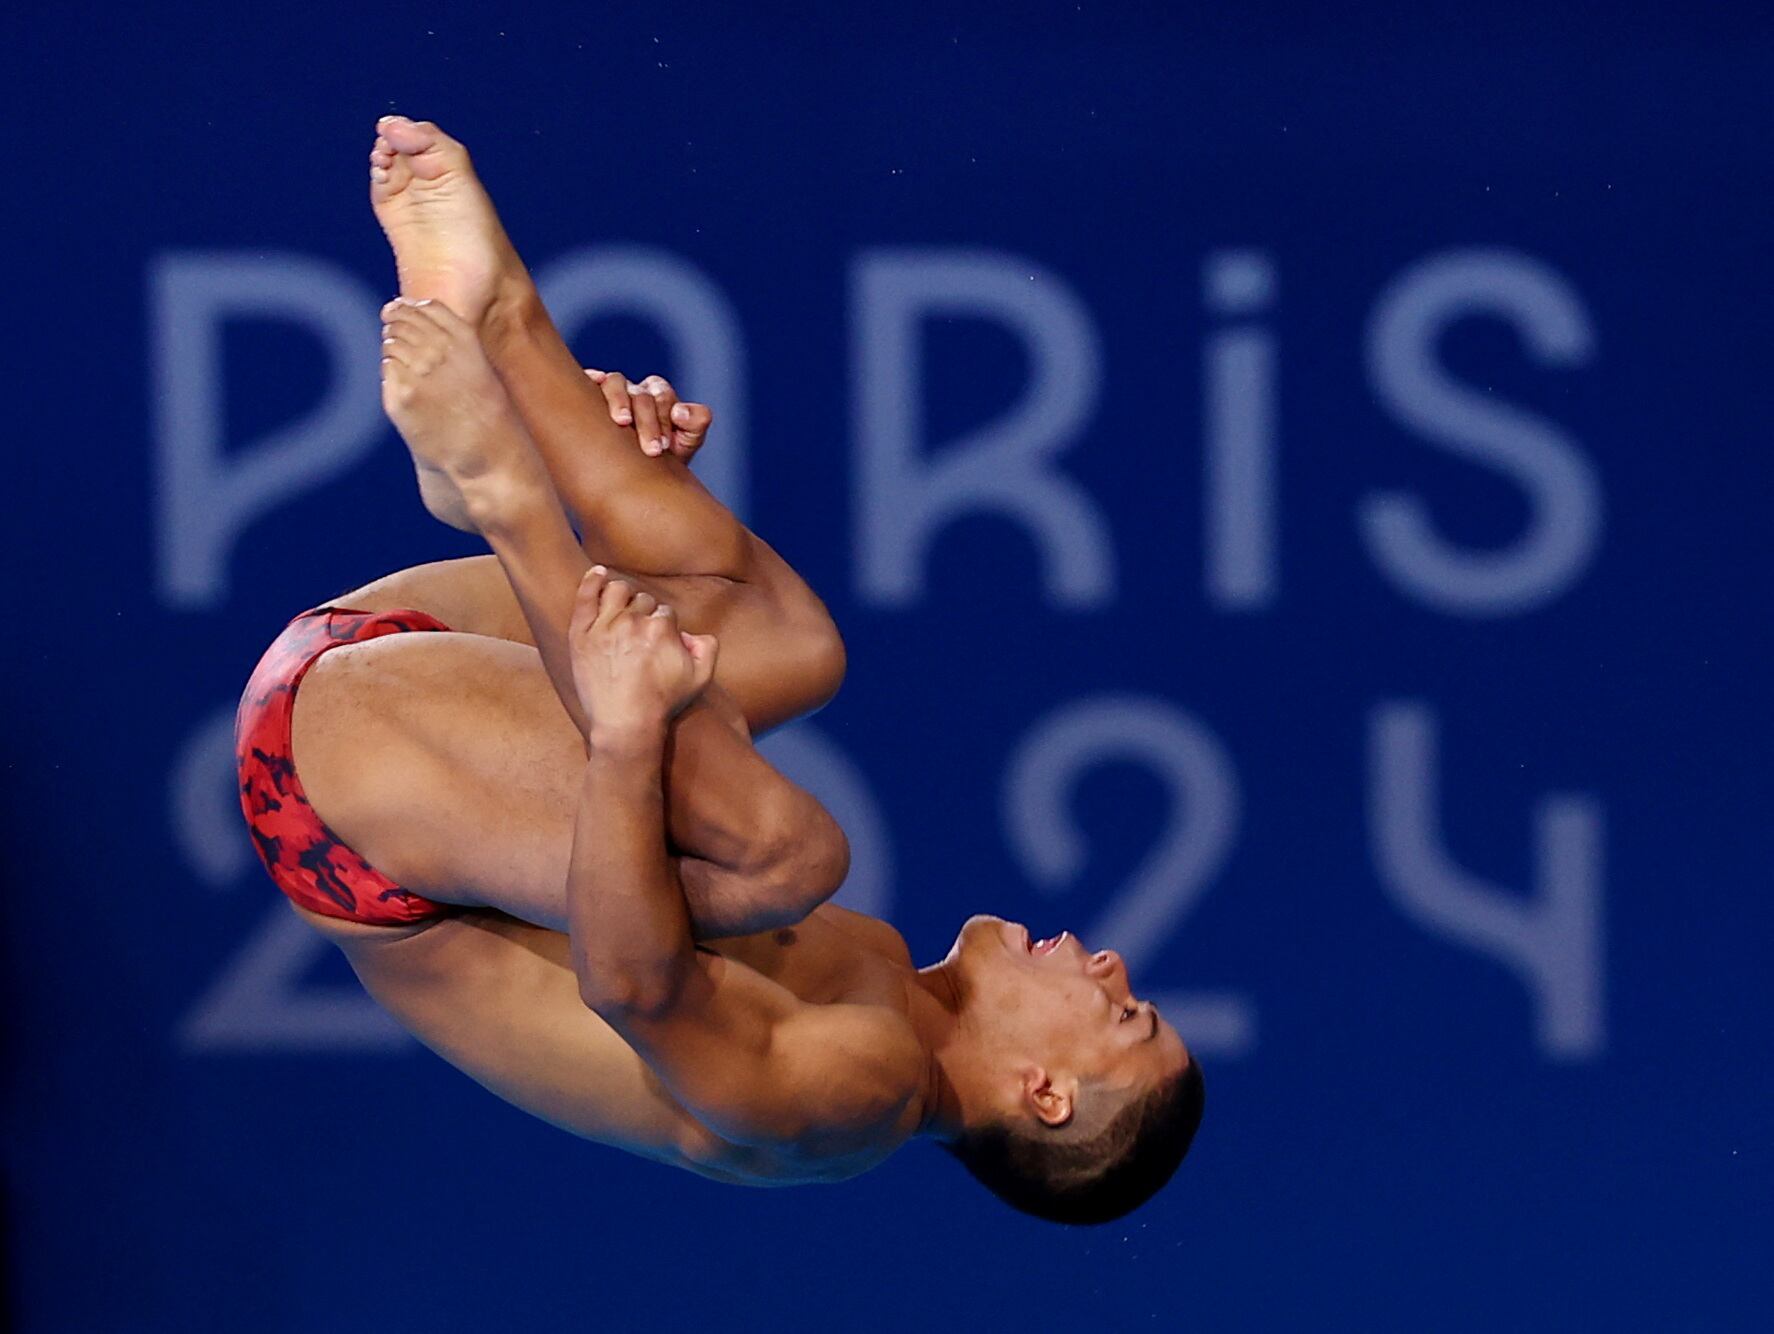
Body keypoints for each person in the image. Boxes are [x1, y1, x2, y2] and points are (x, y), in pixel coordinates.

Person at [236, 115, 1202, 1224]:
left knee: (790, 851)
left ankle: (504, 492)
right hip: (395, 665)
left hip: (339, 805)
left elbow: (636, 984)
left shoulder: (857, 1100)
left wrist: (625, 715)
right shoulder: (886, 977)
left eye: (1124, 1014)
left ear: (1044, 1091)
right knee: (790, 643)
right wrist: (653, 525)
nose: (1116, 963)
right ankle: (500, 322)